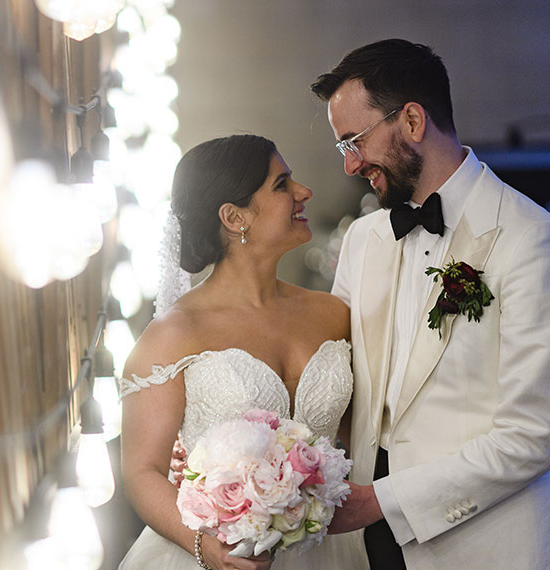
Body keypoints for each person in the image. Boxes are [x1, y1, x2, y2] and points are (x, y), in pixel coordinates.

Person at [310, 39, 550, 569]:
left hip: (483, 545)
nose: (350, 165)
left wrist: (382, 500)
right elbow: (335, 382)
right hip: (366, 548)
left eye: (353, 141)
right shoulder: (363, 239)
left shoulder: (532, 239)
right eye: (343, 148)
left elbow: (531, 436)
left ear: (411, 120)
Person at [117, 134, 369, 570]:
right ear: (234, 217)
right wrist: (203, 547)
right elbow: (142, 471)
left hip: (330, 551)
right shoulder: (175, 333)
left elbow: (361, 434)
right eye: (282, 184)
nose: (304, 192)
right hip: (217, 554)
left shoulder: (333, 314)